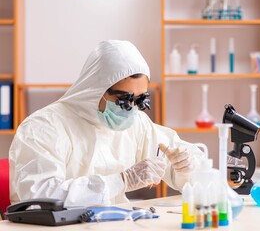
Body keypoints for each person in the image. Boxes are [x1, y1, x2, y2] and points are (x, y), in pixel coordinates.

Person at [9, 40, 204, 207]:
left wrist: (185, 167)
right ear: (95, 90)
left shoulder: (136, 124)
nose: (131, 109)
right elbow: (39, 196)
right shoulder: (44, 127)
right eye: (124, 100)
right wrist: (120, 181)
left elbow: (179, 161)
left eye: (139, 100)